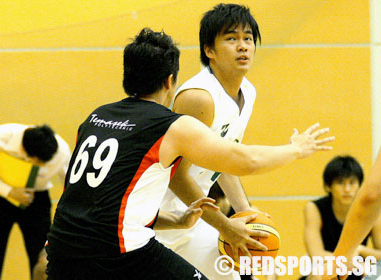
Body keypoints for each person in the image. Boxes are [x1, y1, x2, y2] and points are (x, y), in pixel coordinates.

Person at [45, 27, 333, 280]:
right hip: (118, 253)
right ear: (170, 81)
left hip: (60, 250)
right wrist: (296, 149)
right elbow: (247, 160)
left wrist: (177, 221)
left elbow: (104, 203)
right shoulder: (168, 125)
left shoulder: (96, 118)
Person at [154, 4, 267, 279]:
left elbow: (223, 159)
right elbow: (175, 177)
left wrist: (245, 212)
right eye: (231, 39)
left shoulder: (247, 92)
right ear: (209, 50)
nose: (243, 47)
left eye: (248, 38)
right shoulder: (199, 97)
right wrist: (225, 226)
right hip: (157, 221)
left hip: (194, 220)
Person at [0, 124, 71, 280]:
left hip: (37, 201)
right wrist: (8, 191)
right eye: (38, 162)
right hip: (0, 198)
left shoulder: (61, 151)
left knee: (41, 259)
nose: (41, 166)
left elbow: (69, 183)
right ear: (25, 151)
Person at [300, 155, 381, 280]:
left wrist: (360, 249)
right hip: (326, 268)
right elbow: (316, 255)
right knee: (318, 275)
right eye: (340, 183)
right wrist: (348, 260)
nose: (347, 189)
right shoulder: (314, 208)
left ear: (360, 185)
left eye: (352, 183)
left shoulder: (371, 210)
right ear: (328, 186)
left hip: (355, 270)